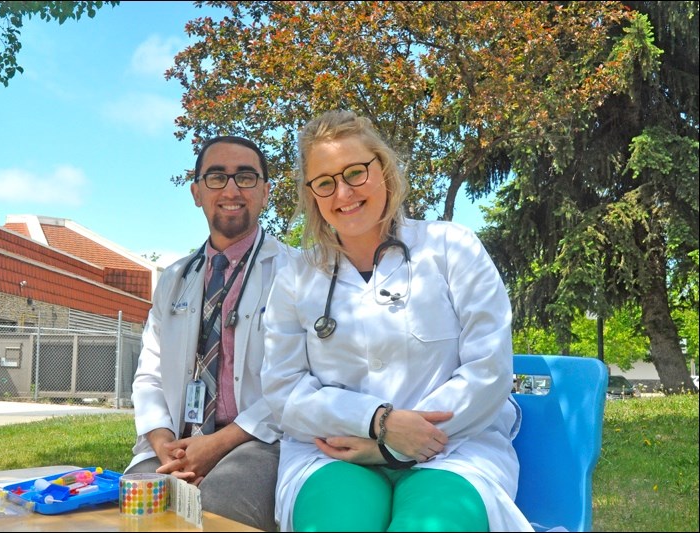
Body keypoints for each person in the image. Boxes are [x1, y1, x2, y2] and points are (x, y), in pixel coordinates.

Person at [261, 110, 532, 532]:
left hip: (453, 450)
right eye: (325, 182)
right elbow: (285, 392)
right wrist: (377, 423)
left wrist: (394, 444)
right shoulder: (296, 278)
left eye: (355, 172)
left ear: (383, 169)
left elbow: (488, 370)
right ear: (312, 194)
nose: (343, 192)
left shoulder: (451, 248)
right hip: (335, 453)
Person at [126, 135, 286, 532]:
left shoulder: (295, 273)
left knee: (217, 512)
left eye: (246, 178)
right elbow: (149, 376)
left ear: (265, 192)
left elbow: (295, 382)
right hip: (176, 440)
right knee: (130, 507)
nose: (231, 189)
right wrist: (166, 446)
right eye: (217, 177)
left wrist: (216, 445)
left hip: (259, 440)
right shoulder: (174, 279)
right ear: (197, 192)